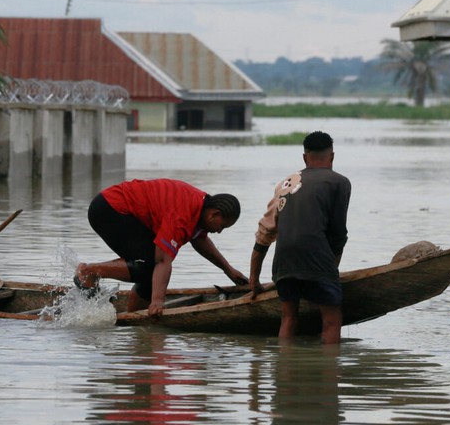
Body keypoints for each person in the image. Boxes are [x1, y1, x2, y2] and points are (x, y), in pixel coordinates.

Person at [75, 178, 248, 317]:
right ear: (214, 214)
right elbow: (162, 260)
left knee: (152, 274)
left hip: (122, 211)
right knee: (150, 267)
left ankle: (135, 317)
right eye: (222, 226)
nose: (219, 231)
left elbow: (200, 241)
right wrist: (158, 301)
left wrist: (228, 270)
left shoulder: (200, 209)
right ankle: (90, 271)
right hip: (110, 208)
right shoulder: (182, 214)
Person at [248, 131, 351, 344]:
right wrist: (332, 269)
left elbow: (265, 233)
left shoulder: (285, 184)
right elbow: (338, 233)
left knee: (288, 318)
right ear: (332, 156)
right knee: (331, 321)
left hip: (283, 263)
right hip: (318, 259)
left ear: (305, 158)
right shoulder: (339, 182)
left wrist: (254, 280)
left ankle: (284, 367)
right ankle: (329, 371)